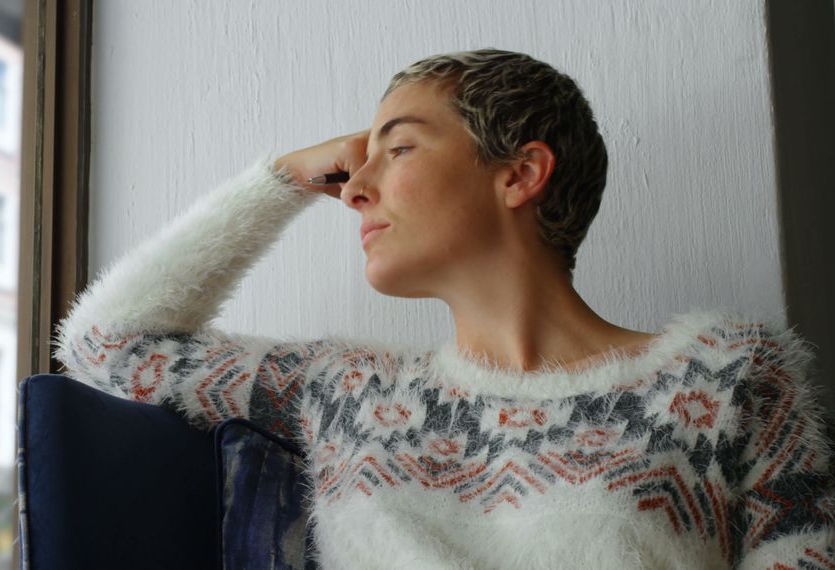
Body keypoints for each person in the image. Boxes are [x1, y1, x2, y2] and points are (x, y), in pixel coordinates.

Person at [55, 49, 835, 569]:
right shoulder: (349, 392)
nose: (356, 187)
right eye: (354, 166)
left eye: (396, 149)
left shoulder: (728, 380)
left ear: (520, 173)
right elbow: (106, 344)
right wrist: (282, 179)